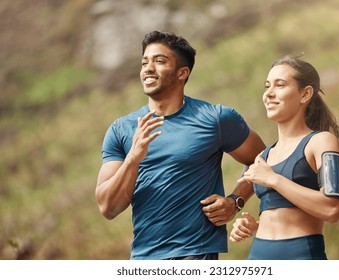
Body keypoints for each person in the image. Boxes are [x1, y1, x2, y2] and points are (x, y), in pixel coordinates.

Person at [95, 31, 265, 260]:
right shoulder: (121, 129)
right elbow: (108, 207)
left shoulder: (215, 118)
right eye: (145, 62)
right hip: (144, 257)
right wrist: (133, 158)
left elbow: (263, 159)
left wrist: (235, 201)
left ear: (182, 73)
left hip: (196, 254)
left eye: (159, 61)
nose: (148, 68)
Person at [229, 55, 339, 260]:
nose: (269, 93)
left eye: (280, 85)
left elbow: (333, 209)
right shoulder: (263, 156)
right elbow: (284, 217)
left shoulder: (322, 142)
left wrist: (273, 179)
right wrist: (255, 227)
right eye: (267, 86)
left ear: (305, 94)